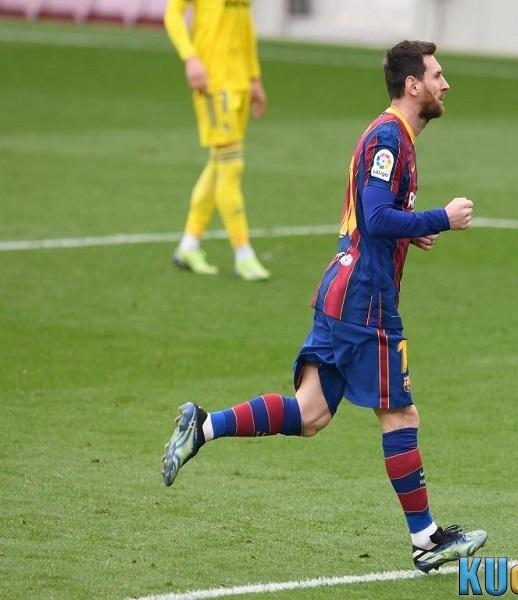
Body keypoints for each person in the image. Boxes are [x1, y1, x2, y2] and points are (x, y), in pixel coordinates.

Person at [162, 40, 486, 572]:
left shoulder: (393, 137)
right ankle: (427, 540)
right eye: (437, 75)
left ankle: (202, 426)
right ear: (413, 86)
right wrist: (439, 219)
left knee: (310, 413)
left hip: (341, 291)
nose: (445, 84)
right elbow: (376, 217)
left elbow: (372, 216)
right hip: (365, 299)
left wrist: (411, 231)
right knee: (400, 413)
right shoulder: (389, 138)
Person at [163, 0, 271, 281]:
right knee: (231, 166)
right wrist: (190, 58)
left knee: (219, 165)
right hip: (212, 83)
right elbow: (172, 14)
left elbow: (245, 27)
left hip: (240, 84)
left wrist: (254, 77)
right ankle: (243, 254)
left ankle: (188, 246)